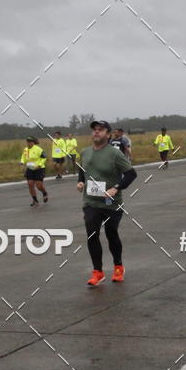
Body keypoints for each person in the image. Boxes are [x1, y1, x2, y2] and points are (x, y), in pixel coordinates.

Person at [77, 120, 137, 286]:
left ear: (108, 135)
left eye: (101, 130)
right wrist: (80, 182)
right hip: (91, 202)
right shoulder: (85, 152)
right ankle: (98, 272)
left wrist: (116, 188)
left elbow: (131, 174)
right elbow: (83, 170)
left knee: (111, 233)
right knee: (92, 234)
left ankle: (118, 266)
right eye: (94, 130)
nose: (96, 132)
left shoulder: (115, 154)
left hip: (111, 203)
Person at [21, 137, 48, 206]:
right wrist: (22, 162)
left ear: (33, 142)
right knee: (30, 184)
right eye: (27, 142)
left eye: (30, 142)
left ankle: (44, 193)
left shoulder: (38, 149)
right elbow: (23, 157)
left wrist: (39, 165)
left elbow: (44, 157)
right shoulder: (25, 149)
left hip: (38, 169)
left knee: (39, 186)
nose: (28, 143)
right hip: (29, 169)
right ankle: (35, 200)